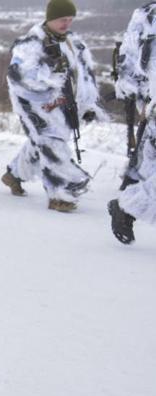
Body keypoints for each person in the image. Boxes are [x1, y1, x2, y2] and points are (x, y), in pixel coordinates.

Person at [2, 0, 105, 212]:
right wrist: (50, 88)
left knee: (42, 142)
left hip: (66, 106)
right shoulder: (31, 44)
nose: (66, 24)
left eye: (69, 19)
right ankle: (60, 195)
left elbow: (84, 77)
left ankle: (14, 174)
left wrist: (88, 104)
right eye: (62, 19)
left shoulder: (74, 43)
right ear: (50, 18)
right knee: (52, 144)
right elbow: (19, 78)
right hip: (35, 106)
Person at [108, 2, 156, 244]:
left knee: (150, 169)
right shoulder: (147, 17)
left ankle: (126, 207)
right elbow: (129, 64)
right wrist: (142, 102)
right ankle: (126, 206)